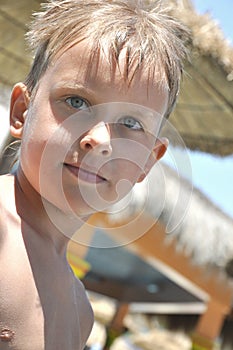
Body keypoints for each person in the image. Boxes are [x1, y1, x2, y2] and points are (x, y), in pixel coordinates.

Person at [0, 0, 190, 349]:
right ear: (21, 112)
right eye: (76, 102)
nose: (99, 140)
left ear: (148, 160)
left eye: (130, 124)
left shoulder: (81, 311)